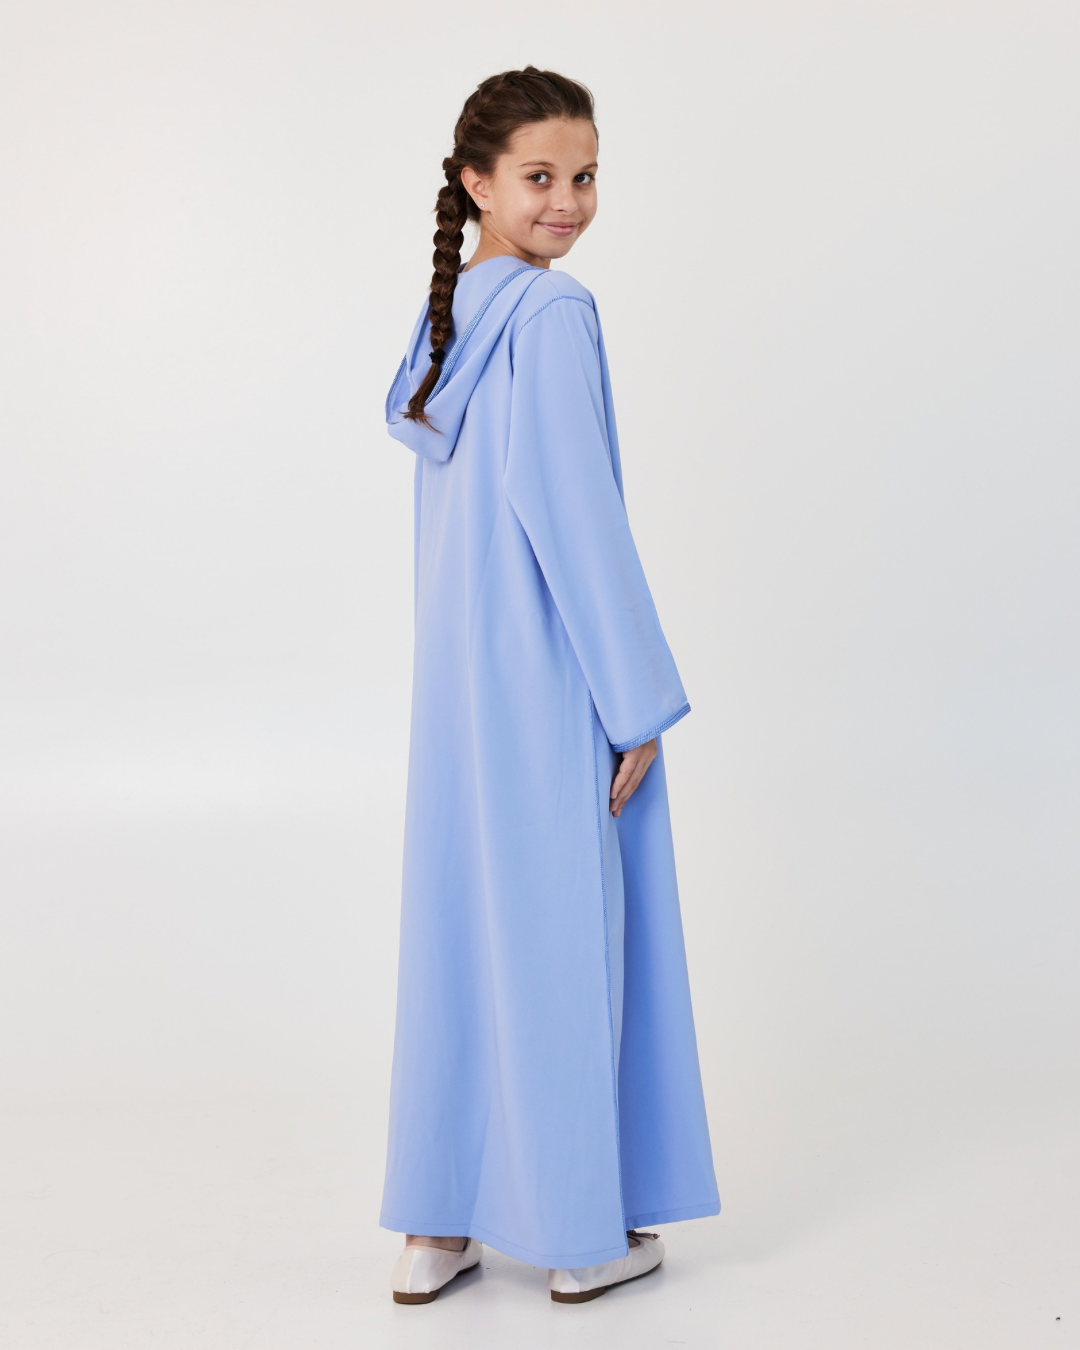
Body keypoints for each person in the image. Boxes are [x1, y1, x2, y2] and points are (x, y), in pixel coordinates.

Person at [381, 66, 719, 1306]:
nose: (567, 200)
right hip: (550, 676)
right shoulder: (554, 314)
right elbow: (576, 517)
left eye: (584, 176)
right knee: (566, 937)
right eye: (539, 176)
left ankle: (435, 1228)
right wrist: (634, 699)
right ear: (477, 183)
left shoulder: (449, 318)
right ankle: (580, 1237)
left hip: (458, 691)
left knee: (462, 936)